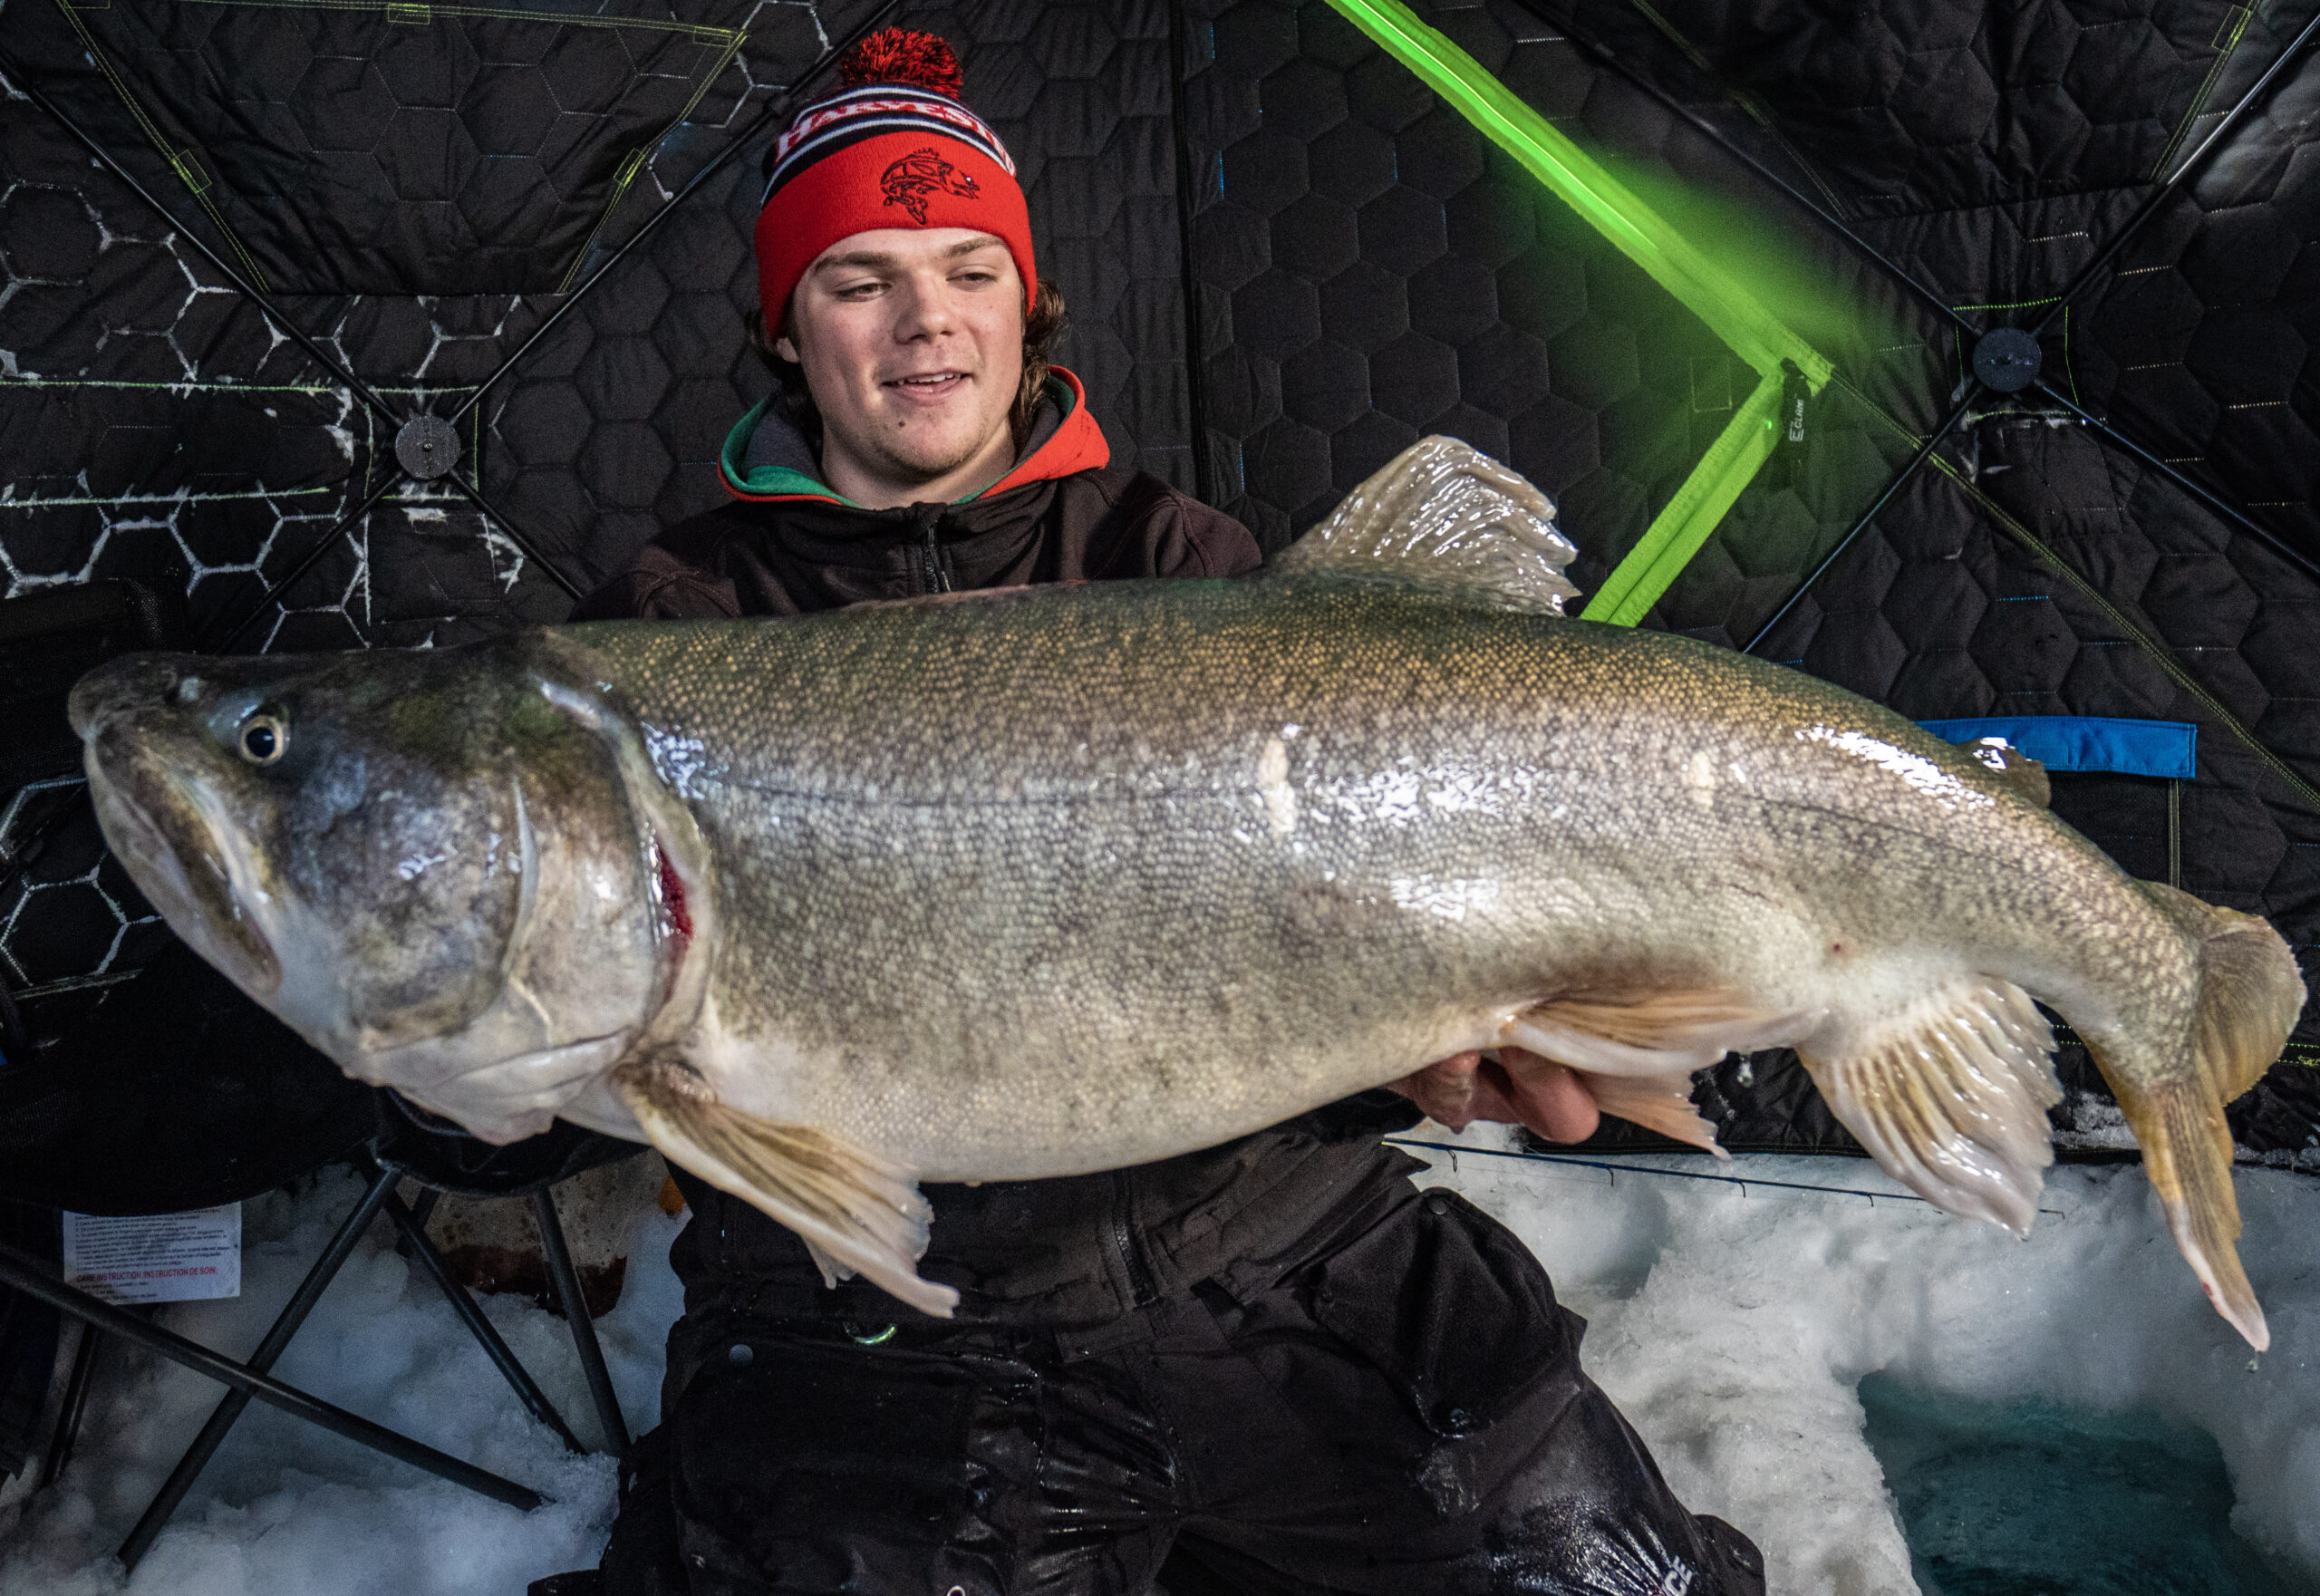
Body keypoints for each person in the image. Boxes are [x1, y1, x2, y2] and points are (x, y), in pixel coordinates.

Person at [557, 29, 1766, 1596]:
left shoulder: (1178, 556)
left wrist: (1422, 1050)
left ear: (1027, 303)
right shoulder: (670, 620)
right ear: (786, 326)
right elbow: (507, 1060)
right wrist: (449, 1066)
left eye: (969, 270)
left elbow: (1294, 956)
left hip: (1280, 1268)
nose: (926, 322)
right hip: (886, 1337)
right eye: (861, 278)